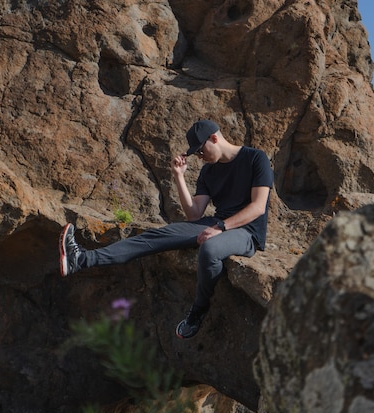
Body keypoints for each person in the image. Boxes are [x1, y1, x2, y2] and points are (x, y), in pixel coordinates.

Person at [59, 120, 273, 339]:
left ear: (214, 138)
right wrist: (179, 176)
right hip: (215, 223)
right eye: (196, 154)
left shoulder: (256, 158)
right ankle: (82, 259)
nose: (200, 157)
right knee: (156, 235)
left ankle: (197, 313)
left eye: (200, 150)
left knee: (210, 248)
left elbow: (257, 207)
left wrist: (222, 226)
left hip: (247, 232)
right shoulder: (208, 172)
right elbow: (194, 214)